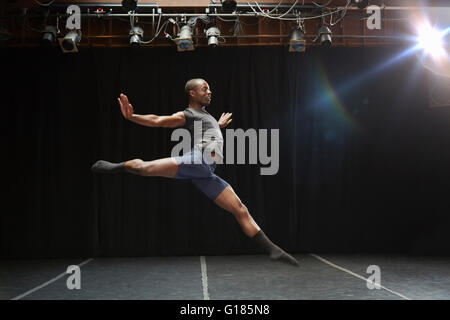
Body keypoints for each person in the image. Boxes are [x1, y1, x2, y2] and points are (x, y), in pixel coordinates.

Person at [92, 78, 299, 267]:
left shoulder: (205, 117)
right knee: (144, 168)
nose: (209, 92)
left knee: (240, 209)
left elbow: (206, 133)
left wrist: (217, 125)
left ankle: (274, 250)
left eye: (209, 89)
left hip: (205, 171)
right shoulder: (188, 114)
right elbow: (159, 120)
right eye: (204, 88)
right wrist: (132, 117)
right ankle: (114, 166)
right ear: (192, 93)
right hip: (196, 159)